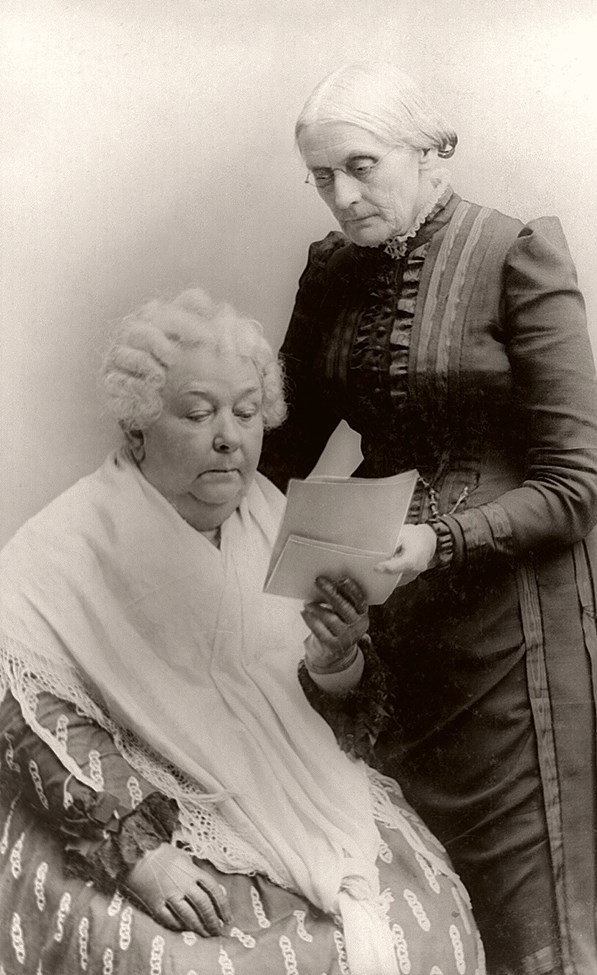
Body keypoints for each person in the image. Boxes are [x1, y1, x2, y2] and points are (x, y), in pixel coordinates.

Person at [259, 62, 597, 975]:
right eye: (320, 176)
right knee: (416, 922)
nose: (341, 197)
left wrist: (442, 539)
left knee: (533, 931)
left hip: (526, 645)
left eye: (360, 166)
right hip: (395, 630)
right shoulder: (332, 272)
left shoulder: (517, 253)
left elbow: (574, 483)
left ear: (436, 153)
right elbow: (281, 448)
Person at [0, 289, 485, 975]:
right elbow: (27, 716)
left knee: (428, 922)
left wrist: (335, 656)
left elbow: (338, 713)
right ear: (137, 429)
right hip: (137, 807)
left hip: (297, 785)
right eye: (198, 413)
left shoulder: (273, 518)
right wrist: (142, 855)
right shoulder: (62, 546)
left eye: (248, 412)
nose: (230, 436)